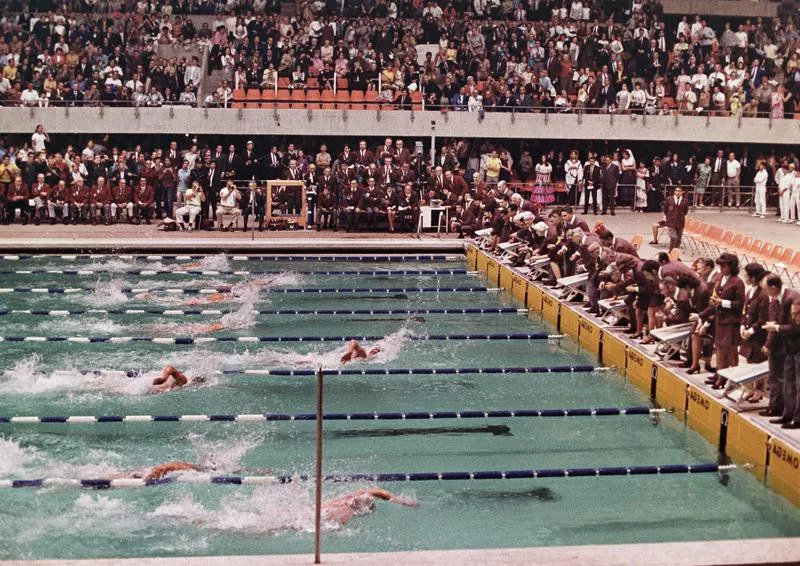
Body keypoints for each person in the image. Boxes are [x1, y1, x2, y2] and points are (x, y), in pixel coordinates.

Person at [322, 487, 418, 526]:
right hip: (329, 513)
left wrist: (400, 500)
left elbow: (380, 493)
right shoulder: (346, 511)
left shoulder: (349, 500)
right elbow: (380, 493)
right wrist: (401, 500)